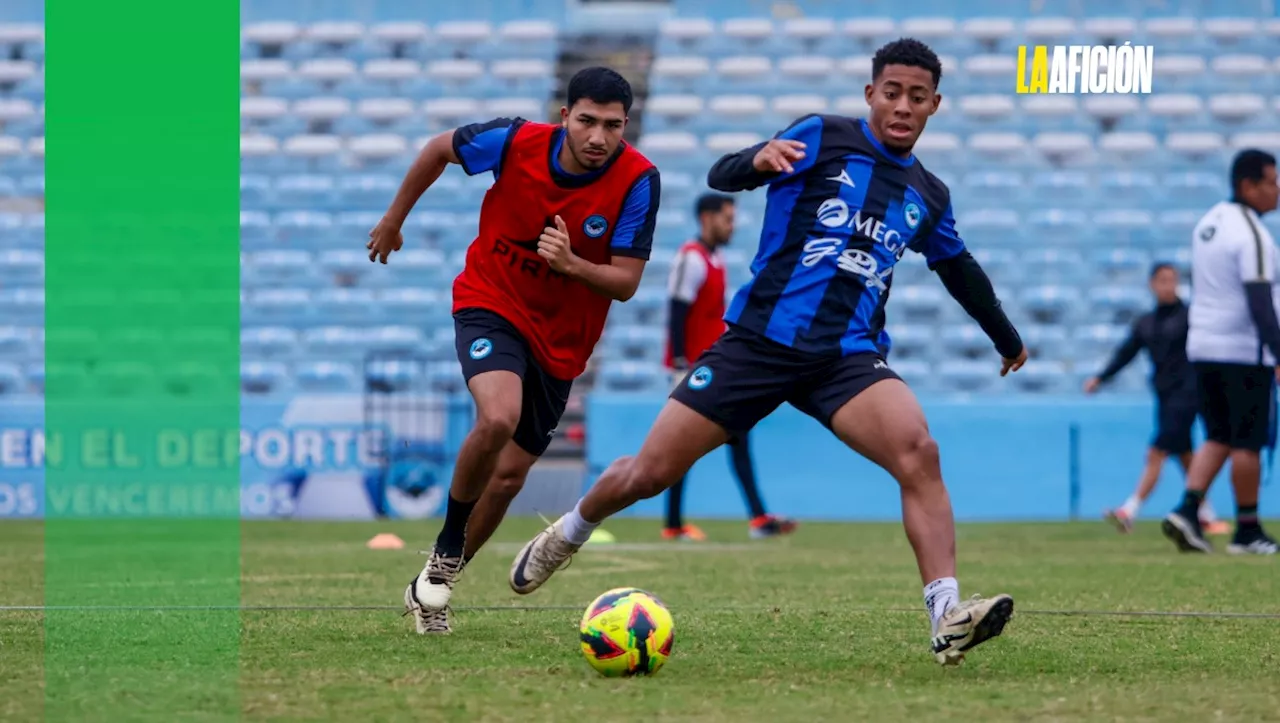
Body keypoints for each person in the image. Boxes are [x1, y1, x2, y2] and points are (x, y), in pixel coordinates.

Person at [507, 38, 1028, 666]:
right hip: (756, 345)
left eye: (917, 97)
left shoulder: (928, 193)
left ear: (935, 106)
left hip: (846, 358)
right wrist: (758, 157)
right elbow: (719, 176)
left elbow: (959, 266)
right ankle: (570, 531)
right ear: (871, 94)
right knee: (649, 474)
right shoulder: (822, 136)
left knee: (920, 451)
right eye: (892, 92)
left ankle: (946, 615)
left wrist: (1006, 337)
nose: (902, 105)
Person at [366, 66, 661, 633]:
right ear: (564, 117)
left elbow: (626, 283)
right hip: (491, 300)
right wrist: (393, 220)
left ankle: (434, 582)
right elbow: (437, 149)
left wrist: (571, 264)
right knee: (498, 416)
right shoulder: (516, 141)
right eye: (587, 122)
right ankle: (448, 548)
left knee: (508, 479)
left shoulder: (639, 180)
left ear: (626, 126)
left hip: (562, 341)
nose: (599, 137)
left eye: (613, 126)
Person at [1163, 149, 1280, 555]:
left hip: (1205, 345)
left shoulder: (1209, 222)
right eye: (1271, 181)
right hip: (1243, 350)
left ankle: (1188, 509)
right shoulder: (1253, 234)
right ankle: (1247, 530)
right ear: (1248, 185)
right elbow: (1260, 301)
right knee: (1248, 441)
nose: (1277, 190)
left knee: (1218, 435)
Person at [663, 192, 797, 541]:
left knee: (738, 438)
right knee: (682, 446)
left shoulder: (715, 259)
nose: (732, 224)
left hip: (713, 366)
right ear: (707, 218)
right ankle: (676, 524)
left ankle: (757, 518)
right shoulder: (690, 259)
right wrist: (679, 364)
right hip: (693, 369)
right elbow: (677, 313)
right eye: (727, 217)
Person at [1083, 263, 1228, 535]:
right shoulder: (1146, 323)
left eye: (1172, 280)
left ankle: (1130, 510)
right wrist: (1101, 378)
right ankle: (1207, 515)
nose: (1168, 285)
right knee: (1184, 456)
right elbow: (1126, 354)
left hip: (1188, 394)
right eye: (1162, 280)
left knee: (1156, 451)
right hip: (1164, 395)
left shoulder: (1190, 317)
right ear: (1152, 284)